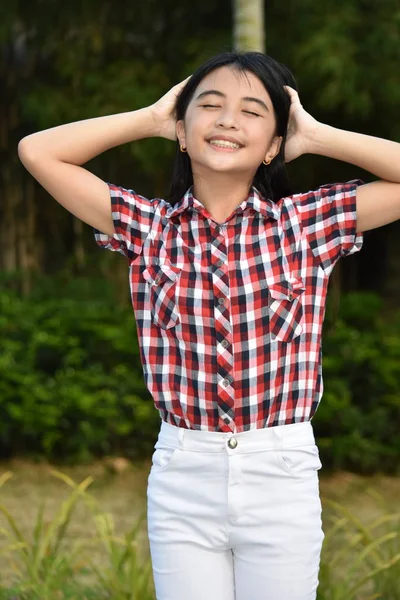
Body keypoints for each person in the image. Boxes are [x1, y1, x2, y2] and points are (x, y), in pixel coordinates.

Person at [18, 51, 400, 600]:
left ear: (274, 144)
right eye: (210, 105)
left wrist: (316, 136)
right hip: (183, 473)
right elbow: (38, 151)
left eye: (251, 111)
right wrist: (150, 119)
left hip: (281, 471)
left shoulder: (306, 225)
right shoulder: (149, 228)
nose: (226, 120)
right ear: (183, 128)